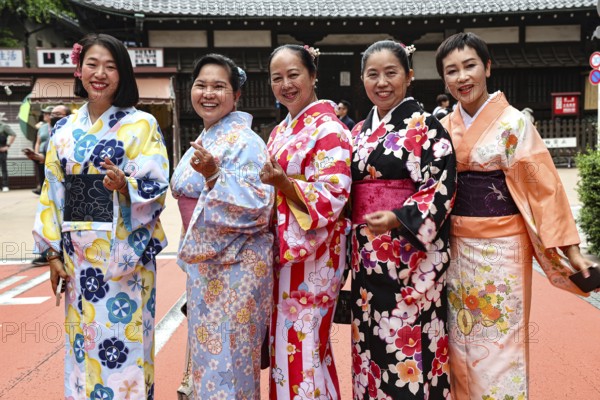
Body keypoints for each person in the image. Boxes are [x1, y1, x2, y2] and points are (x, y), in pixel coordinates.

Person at [435, 32, 596, 400]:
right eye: (452, 70)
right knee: (459, 339)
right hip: (455, 249)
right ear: (444, 79)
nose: (462, 77)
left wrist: (571, 251)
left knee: (500, 338)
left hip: (503, 250)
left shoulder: (513, 124)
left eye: (470, 65)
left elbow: (544, 189)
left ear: (488, 67)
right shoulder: (443, 127)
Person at [32, 33, 169, 399]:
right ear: (79, 70)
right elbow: (52, 191)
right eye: (92, 64)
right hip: (79, 260)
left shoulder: (142, 124)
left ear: (123, 74)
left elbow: (156, 184)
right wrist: (51, 253)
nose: (100, 73)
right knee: (84, 346)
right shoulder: (64, 130)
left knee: (127, 344)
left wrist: (126, 185)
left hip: (123, 255)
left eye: (111, 66)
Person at [349, 39, 456, 399]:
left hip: (411, 259)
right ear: (362, 79)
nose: (382, 82)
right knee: (369, 347)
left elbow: (441, 184)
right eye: (372, 74)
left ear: (409, 76)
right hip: (366, 258)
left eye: (391, 73)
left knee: (409, 348)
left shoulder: (427, 126)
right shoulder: (356, 134)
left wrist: (398, 217)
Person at [170, 53, 275, 398]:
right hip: (207, 266)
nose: (208, 93)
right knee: (210, 359)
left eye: (219, 86)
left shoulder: (246, 142)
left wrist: (215, 177)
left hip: (238, 268)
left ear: (236, 95)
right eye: (201, 85)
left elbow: (259, 206)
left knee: (231, 361)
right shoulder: (208, 137)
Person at [261, 44, 352, 399]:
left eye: (293, 75)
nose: (285, 84)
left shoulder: (329, 129)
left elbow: (332, 194)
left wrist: (283, 184)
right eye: (276, 78)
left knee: (302, 343)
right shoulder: (281, 130)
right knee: (295, 347)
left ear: (313, 76)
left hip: (314, 254)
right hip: (286, 253)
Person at [28, 105, 72, 195]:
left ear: (68, 116)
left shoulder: (73, 131)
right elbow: (41, 146)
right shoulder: (51, 133)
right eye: (52, 114)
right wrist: (37, 155)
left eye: (57, 114)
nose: (53, 116)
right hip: (50, 171)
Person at [0, 112, 16, 192]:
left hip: (1, 151)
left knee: (3, 168)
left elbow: (13, 134)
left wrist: (8, 146)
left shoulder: (4, 126)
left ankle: (5, 185)